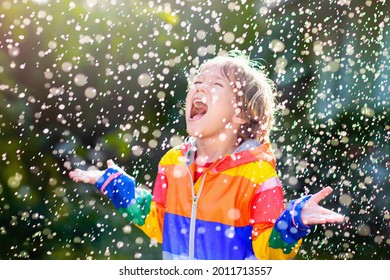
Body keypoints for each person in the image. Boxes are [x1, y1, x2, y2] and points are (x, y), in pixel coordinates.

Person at [69, 51, 344, 260]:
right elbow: (159, 223)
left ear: (240, 114)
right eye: (197, 81)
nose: (200, 87)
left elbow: (267, 254)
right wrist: (119, 187)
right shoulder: (173, 163)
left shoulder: (258, 177)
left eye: (216, 85)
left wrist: (292, 223)